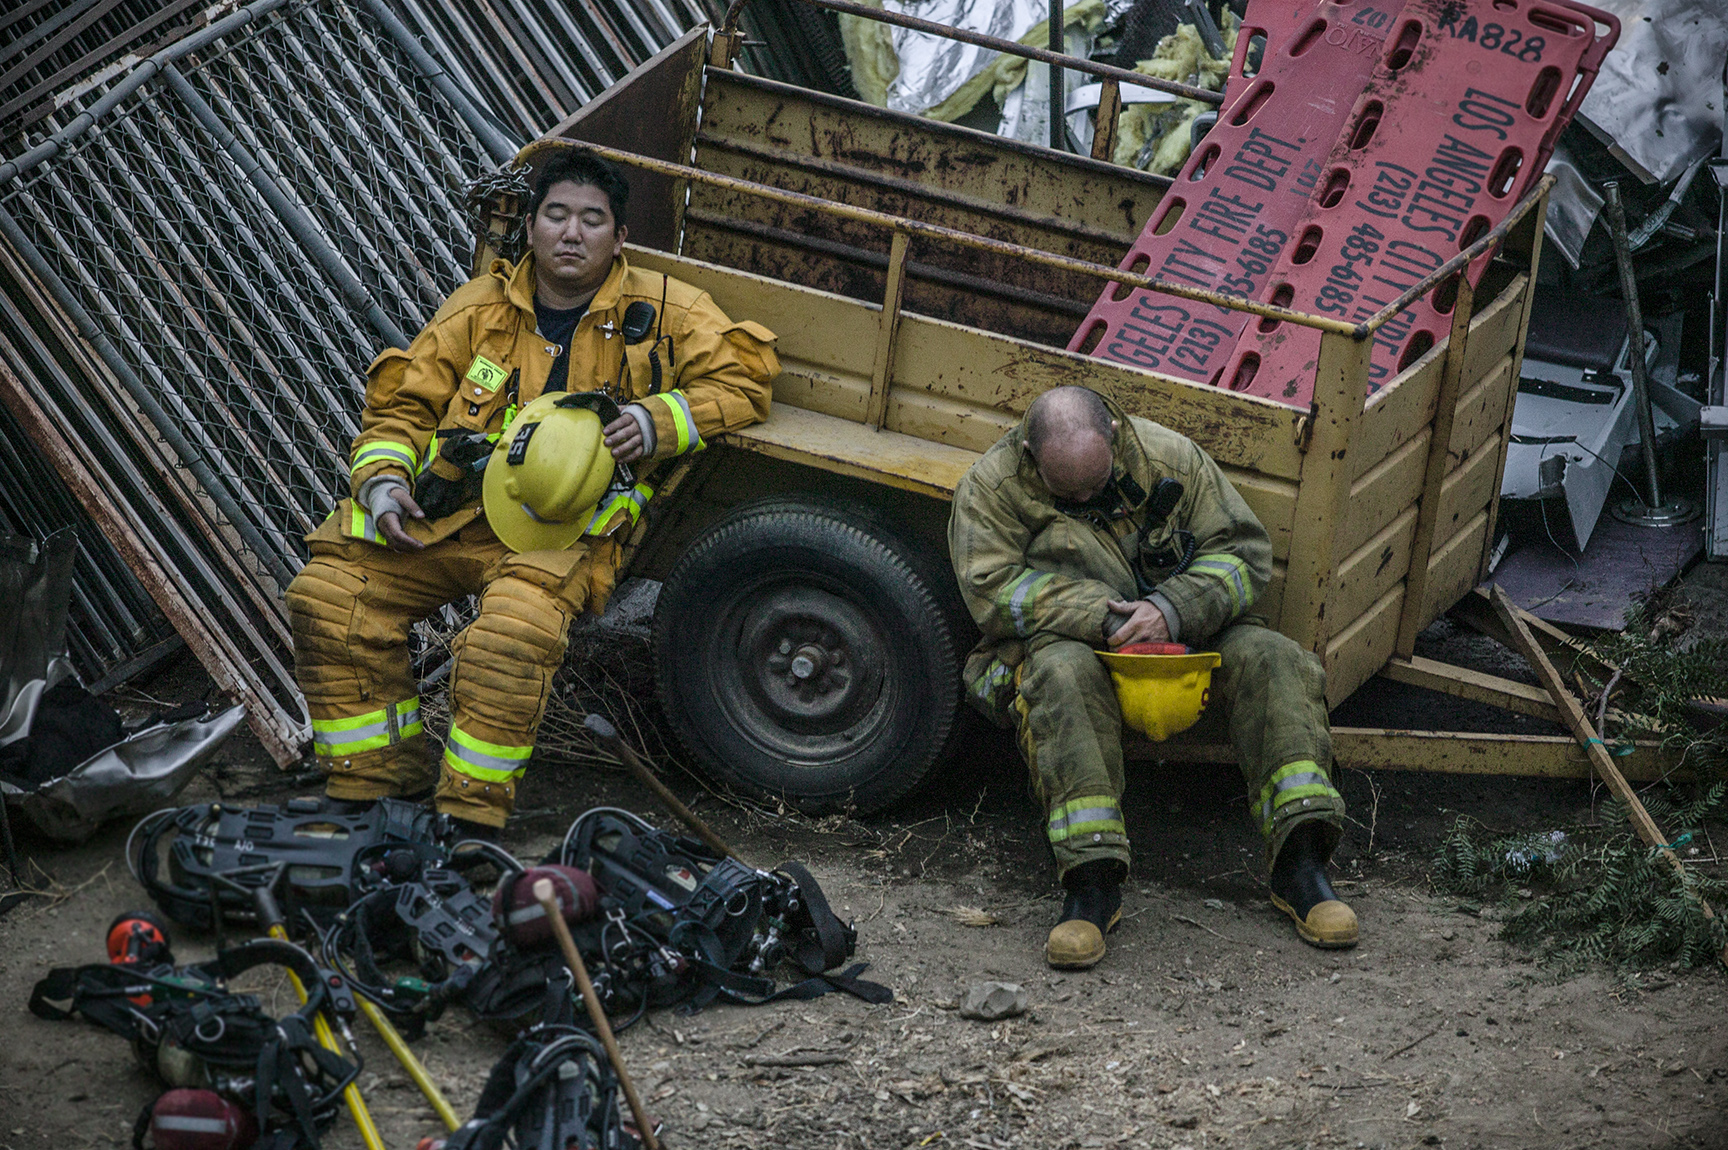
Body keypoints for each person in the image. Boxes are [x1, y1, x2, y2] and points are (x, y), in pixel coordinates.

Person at [285, 147, 778, 834]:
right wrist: (384, 483)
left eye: (591, 220)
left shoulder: (667, 308)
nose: (571, 233)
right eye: (556, 215)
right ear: (532, 228)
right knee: (329, 598)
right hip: (450, 517)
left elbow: (745, 381)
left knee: (508, 638)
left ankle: (467, 816)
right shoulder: (478, 309)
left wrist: (659, 419)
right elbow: (400, 411)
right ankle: (373, 780)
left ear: (620, 238)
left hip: (564, 532)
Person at [948, 385, 1356, 968]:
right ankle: (1091, 887)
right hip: (1077, 651)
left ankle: (1303, 867)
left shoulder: (1171, 459)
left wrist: (1171, 609)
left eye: (1097, 481)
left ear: (1112, 433)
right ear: (1033, 456)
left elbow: (1243, 554)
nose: (1089, 496)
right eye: (1071, 492)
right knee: (1061, 675)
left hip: (1190, 638)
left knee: (1275, 658)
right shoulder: (990, 491)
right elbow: (992, 592)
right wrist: (1099, 618)